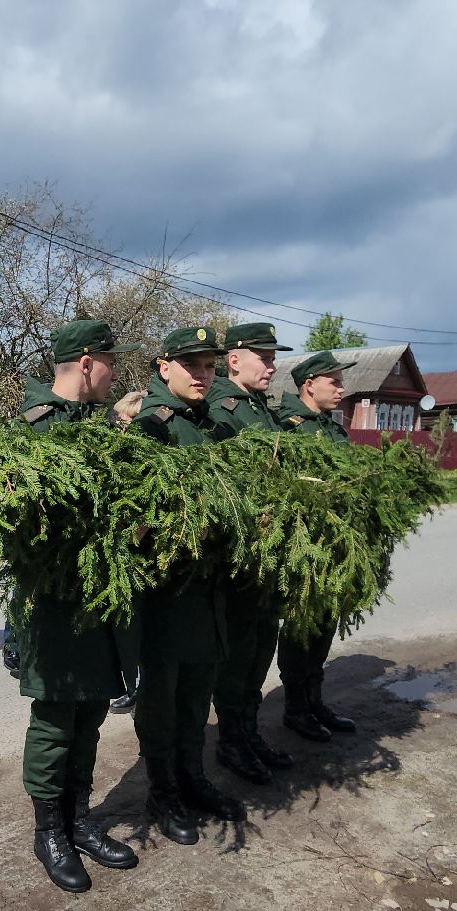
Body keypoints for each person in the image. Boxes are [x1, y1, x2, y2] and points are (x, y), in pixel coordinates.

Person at [17, 320, 142, 892]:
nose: (117, 374)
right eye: (112, 362)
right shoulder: (35, 430)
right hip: (54, 604)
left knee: (90, 713)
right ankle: (49, 832)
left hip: (104, 598)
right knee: (55, 721)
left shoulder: (99, 426)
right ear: (87, 362)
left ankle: (80, 819)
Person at [131, 326, 242, 844]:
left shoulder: (216, 426)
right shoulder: (149, 428)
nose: (203, 375)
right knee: (163, 699)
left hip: (211, 590)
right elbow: (136, 518)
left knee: (198, 694)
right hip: (168, 593)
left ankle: (193, 777)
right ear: (163, 367)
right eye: (192, 365)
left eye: (210, 367)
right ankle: (163, 792)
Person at [205, 323, 297, 785]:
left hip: (270, 555)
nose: (273, 364)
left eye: (273, 356)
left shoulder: (261, 409)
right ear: (235, 358)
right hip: (242, 558)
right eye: (264, 355)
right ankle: (231, 742)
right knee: (238, 653)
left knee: (261, 647)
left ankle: (248, 733)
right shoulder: (222, 408)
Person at [274, 350, 362, 742]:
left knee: (323, 626)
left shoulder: (334, 429)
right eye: (335, 382)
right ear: (309, 384)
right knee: (300, 627)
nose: (342, 389)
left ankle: (314, 701)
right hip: (303, 548)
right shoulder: (287, 427)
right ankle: (295, 708)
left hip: (335, 546)